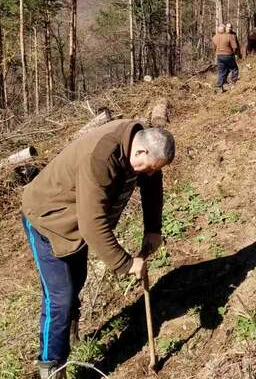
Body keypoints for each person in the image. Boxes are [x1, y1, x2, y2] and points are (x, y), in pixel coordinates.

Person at [21, 120, 176, 379]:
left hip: (76, 220)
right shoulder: (101, 157)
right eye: (149, 168)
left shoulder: (142, 149)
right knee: (60, 297)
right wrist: (127, 264)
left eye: (154, 170)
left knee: (76, 281)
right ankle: (51, 367)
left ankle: (70, 334)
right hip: (47, 219)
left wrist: (153, 229)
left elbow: (152, 185)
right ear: (140, 153)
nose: (150, 174)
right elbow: (93, 225)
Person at [212, 23, 239, 92]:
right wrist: (234, 53)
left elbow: (214, 48)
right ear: (224, 29)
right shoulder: (229, 36)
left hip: (219, 56)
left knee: (221, 72)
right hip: (228, 55)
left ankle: (219, 87)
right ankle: (233, 84)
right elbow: (235, 47)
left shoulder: (214, 37)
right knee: (234, 69)